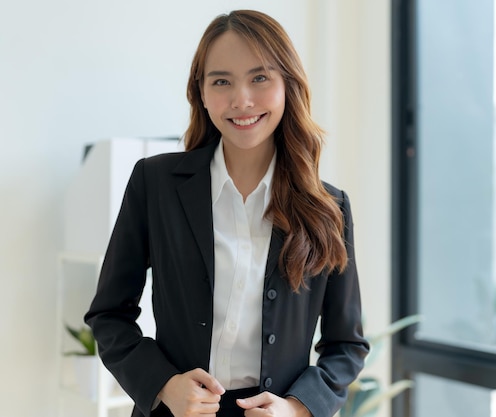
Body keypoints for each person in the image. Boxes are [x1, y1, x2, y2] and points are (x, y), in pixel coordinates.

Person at [85, 9, 369, 417]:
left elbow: (347, 345)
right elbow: (108, 314)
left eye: (259, 78)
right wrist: (165, 386)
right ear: (200, 92)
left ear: (287, 85)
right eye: (221, 81)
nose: (242, 100)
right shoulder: (156, 183)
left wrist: (297, 408)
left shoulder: (328, 207)